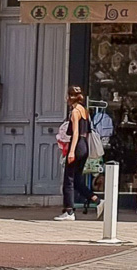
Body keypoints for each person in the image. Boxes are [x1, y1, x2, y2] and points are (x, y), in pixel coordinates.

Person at [54, 86, 102, 221]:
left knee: (68, 180)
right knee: (77, 179)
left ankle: (69, 211)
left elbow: (75, 133)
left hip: (77, 145)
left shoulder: (75, 112)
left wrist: (71, 151)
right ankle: (97, 200)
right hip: (84, 146)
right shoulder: (84, 111)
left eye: (67, 96)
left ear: (70, 97)